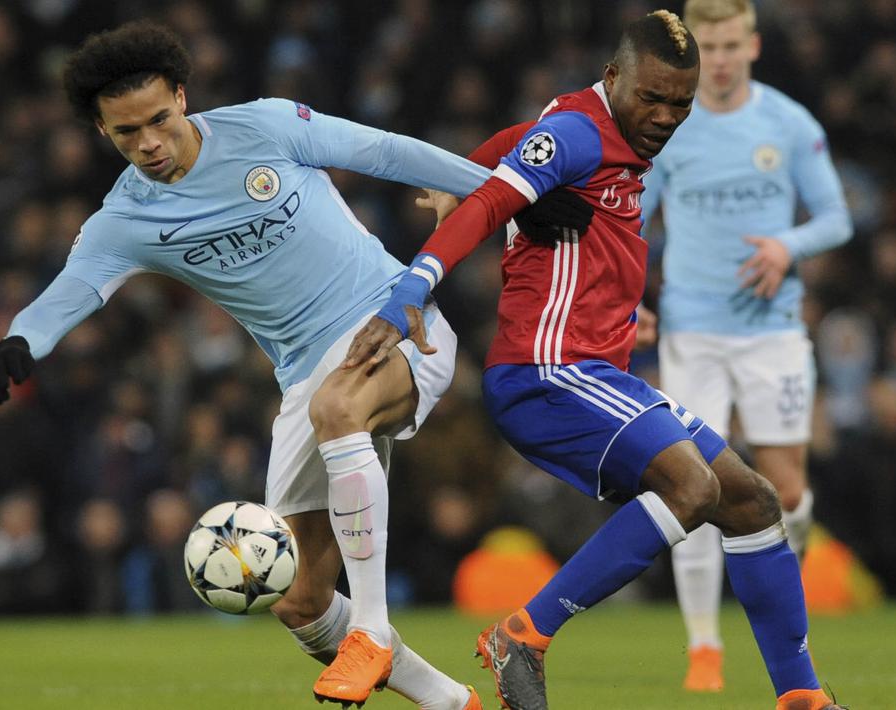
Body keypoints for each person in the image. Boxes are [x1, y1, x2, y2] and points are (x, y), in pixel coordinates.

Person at [0, 21, 585, 710]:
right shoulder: (126, 218)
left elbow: (386, 152)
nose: (148, 142)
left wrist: (510, 191)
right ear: (102, 132)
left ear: (181, 96)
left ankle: (373, 629)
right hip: (302, 374)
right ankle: (453, 703)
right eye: (126, 133)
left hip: (394, 319)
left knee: (338, 408)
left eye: (157, 119)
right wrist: (21, 340)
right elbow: (77, 286)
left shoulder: (265, 127)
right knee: (297, 602)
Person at [345, 10, 843, 710]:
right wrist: (413, 286)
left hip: (593, 368)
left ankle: (801, 697)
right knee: (691, 489)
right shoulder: (579, 133)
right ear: (614, 77)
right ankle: (525, 633)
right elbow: (495, 201)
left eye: (680, 101)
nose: (666, 115)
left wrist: (460, 170)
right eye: (652, 97)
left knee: (753, 502)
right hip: (547, 371)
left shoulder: (600, 127)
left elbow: (516, 145)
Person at [638, 0, 852, 691]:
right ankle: (703, 645)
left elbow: (834, 218)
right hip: (693, 332)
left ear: (752, 44)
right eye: (711, 45)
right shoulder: (671, 122)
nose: (722, 58)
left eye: (732, 43)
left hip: (769, 333)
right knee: (693, 485)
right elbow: (630, 217)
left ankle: (787, 624)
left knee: (784, 490)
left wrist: (784, 246)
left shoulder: (786, 124)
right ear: (693, 49)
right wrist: (627, 296)